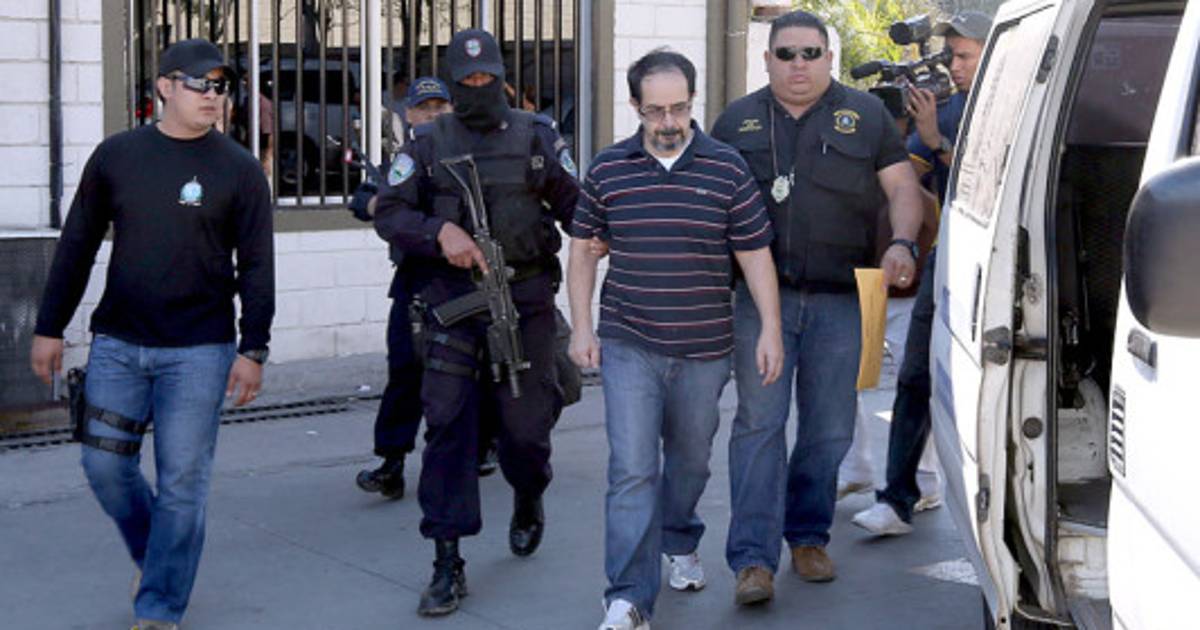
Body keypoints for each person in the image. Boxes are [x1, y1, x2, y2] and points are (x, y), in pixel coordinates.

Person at [28, 38, 274, 630]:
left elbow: (257, 266)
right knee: (104, 467)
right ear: (164, 87)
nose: (213, 96)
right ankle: (158, 558)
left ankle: (159, 606)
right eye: (199, 83)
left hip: (200, 352)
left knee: (183, 481)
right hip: (118, 345)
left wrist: (254, 347)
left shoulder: (239, 169)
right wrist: (49, 327)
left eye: (221, 86)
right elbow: (77, 245)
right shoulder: (118, 156)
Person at [710, 9, 925, 599]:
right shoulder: (736, 121)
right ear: (767, 60)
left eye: (811, 53)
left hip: (844, 300)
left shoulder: (867, 116)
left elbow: (903, 187)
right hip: (762, 303)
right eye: (786, 54)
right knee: (759, 425)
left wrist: (903, 242)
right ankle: (752, 559)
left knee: (829, 431)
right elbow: (706, 204)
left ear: (829, 57)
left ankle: (807, 536)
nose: (798, 64)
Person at [568, 49, 783, 630]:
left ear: (693, 102)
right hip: (629, 342)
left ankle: (680, 537)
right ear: (635, 106)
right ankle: (629, 598)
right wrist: (582, 326)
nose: (669, 122)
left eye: (680, 109)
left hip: (705, 348)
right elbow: (583, 250)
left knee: (689, 463)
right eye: (656, 111)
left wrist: (770, 328)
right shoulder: (608, 169)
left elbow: (754, 253)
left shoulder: (726, 168)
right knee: (633, 470)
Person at [372, 28, 579, 617]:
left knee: (525, 430)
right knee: (448, 429)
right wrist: (439, 231)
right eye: (467, 82)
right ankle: (447, 561)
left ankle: (528, 494)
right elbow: (390, 212)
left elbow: (578, 208)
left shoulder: (536, 136)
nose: (478, 87)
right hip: (451, 303)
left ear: (502, 78)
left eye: (487, 78)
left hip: (524, 299)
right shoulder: (427, 144)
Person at [852, 10, 991, 537]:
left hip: (1001, 264)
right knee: (913, 375)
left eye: (964, 55)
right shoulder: (943, 111)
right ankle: (896, 499)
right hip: (945, 261)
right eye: (951, 55)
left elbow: (989, 191)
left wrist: (938, 144)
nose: (954, 66)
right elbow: (908, 189)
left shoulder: (1013, 107)